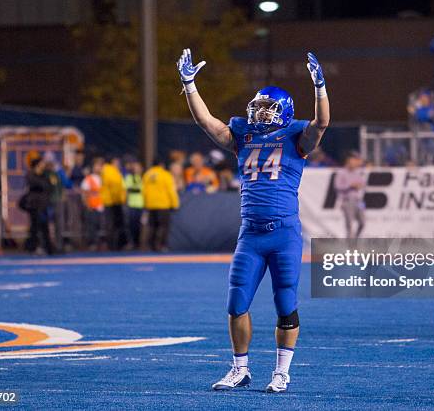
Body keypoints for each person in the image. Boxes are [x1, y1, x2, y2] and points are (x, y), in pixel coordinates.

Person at [178, 48, 330, 392]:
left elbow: (322, 124)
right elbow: (207, 122)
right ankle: (240, 369)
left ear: (285, 112)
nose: (260, 112)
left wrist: (320, 88)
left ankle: (281, 372)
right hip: (251, 235)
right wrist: (189, 85)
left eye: (268, 108)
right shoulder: (243, 135)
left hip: (284, 233)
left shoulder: (295, 136)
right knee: (236, 303)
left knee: (285, 304)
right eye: (258, 106)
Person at [142, 158, 179, 252]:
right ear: (161, 165)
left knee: (152, 226)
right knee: (163, 226)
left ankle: (150, 246)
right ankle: (161, 245)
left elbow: (144, 191)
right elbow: (171, 191)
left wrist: (146, 204)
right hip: (163, 205)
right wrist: (175, 204)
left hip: (151, 205)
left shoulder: (147, 174)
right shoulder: (165, 174)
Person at [24, 157, 54, 255]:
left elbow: (49, 186)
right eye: (42, 163)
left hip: (44, 204)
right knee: (34, 227)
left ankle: (48, 247)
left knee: (45, 227)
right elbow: (38, 185)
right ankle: (33, 247)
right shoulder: (30, 174)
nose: (43, 165)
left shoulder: (45, 174)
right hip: (34, 204)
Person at [335, 152, 367, 238]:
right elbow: (338, 186)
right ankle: (350, 245)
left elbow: (362, 183)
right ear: (348, 161)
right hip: (347, 201)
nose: (355, 163)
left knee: (363, 222)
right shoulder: (341, 172)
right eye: (353, 160)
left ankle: (356, 239)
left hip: (359, 201)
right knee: (349, 224)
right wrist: (350, 185)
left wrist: (360, 185)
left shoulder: (357, 172)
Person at [101, 157, 127, 251]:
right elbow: (114, 187)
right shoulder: (110, 171)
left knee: (113, 224)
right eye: (117, 162)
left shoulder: (110, 171)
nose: (119, 164)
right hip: (112, 202)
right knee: (113, 224)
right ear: (113, 162)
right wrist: (119, 199)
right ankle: (114, 245)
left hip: (111, 201)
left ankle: (114, 244)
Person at [81, 157, 105, 250]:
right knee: (92, 226)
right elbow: (84, 192)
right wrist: (87, 204)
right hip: (92, 206)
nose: (99, 167)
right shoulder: (89, 178)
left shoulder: (104, 178)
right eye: (97, 165)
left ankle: (102, 243)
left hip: (102, 206)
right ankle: (93, 244)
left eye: (100, 165)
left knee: (102, 226)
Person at [124, 160, 144, 249]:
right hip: (132, 204)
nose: (136, 169)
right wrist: (138, 190)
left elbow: (145, 189)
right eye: (135, 167)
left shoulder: (143, 177)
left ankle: (138, 243)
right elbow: (128, 189)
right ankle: (132, 242)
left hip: (141, 204)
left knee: (139, 225)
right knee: (131, 224)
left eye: (138, 167)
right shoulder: (129, 177)